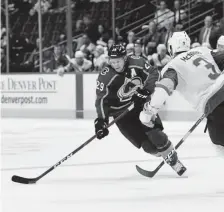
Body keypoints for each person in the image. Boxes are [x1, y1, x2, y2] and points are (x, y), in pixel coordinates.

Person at [94, 44, 186, 175]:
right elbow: (101, 100)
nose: (116, 65)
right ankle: (165, 153)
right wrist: (101, 121)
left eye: (118, 61)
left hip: (140, 106)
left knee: (155, 134)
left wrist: (146, 90)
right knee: (148, 147)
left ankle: (175, 162)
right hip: (122, 115)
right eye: (112, 62)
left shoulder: (137, 62)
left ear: (125, 58)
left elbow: (154, 73)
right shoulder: (105, 76)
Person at [139, 31, 224, 158]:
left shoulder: (172, 67)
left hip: (215, 106)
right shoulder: (203, 51)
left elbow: (163, 89)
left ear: (171, 48)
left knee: (219, 144)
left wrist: (149, 111)